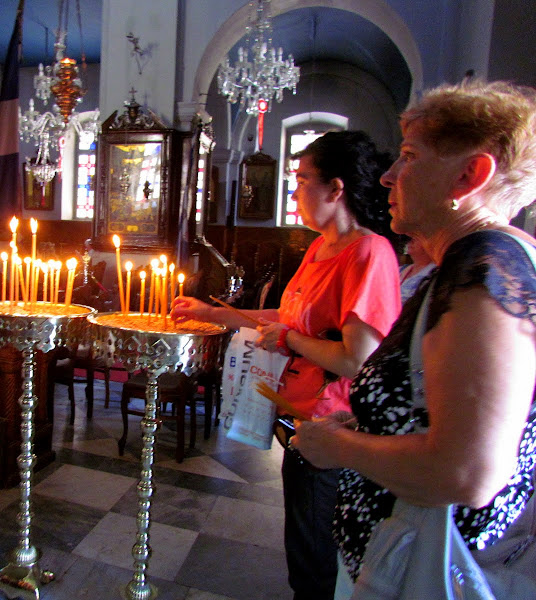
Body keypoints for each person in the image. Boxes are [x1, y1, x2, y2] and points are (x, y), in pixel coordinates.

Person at [292, 80, 536, 598]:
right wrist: (369, 425)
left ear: (470, 175)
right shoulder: (475, 262)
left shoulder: (484, 271)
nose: (387, 176)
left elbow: (466, 472)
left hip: (425, 568)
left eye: (408, 156)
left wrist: (341, 446)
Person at [172, 131, 402, 600]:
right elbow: (287, 317)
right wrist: (212, 313)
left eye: (301, 180)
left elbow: (357, 359)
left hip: (334, 426)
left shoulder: (368, 252)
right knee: (302, 545)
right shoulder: (320, 248)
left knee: (316, 558)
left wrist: (291, 340)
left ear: (335, 189)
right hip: (299, 419)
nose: (293, 193)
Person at [398, 236, 435, 303]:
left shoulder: (434, 273)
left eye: (417, 238)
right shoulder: (400, 270)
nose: (411, 241)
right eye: (410, 238)